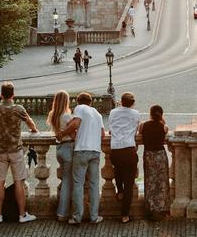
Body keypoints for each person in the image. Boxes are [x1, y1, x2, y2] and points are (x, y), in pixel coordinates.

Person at [0, 82, 38, 223]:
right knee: (18, 183)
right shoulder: (18, 109)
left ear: (1, 94)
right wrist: (34, 131)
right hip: (16, 150)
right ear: (13, 95)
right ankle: (22, 215)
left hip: (0, 151)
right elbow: (31, 124)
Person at [58, 92, 105, 225]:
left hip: (81, 150)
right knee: (94, 185)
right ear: (91, 102)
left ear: (79, 102)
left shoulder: (79, 108)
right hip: (95, 151)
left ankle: (77, 217)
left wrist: (62, 133)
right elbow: (102, 134)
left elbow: (75, 124)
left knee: (78, 184)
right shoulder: (97, 114)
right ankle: (94, 217)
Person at [109, 92, 140, 224]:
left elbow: (111, 129)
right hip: (129, 148)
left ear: (121, 101)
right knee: (129, 184)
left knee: (118, 170)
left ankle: (119, 189)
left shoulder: (113, 113)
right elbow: (136, 130)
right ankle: (125, 215)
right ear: (132, 103)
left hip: (115, 149)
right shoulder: (136, 114)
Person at [46, 91, 74, 222]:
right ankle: (62, 213)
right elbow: (74, 134)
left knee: (65, 181)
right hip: (68, 147)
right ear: (66, 101)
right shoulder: (67, 116)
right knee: (68, 182)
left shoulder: (53, 115)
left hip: (59, 149)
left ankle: (64, 211)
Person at [139, 105, 170, 221]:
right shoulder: (164, 127)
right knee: (161, 182)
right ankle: (162, 207)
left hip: (149, 155)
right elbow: (165, 128)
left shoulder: (143, 125)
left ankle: (151, 207)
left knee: (150, 181)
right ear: (161, 115)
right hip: (160, 155)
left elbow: (139, 132)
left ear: (150, 114)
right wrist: (162, 120)